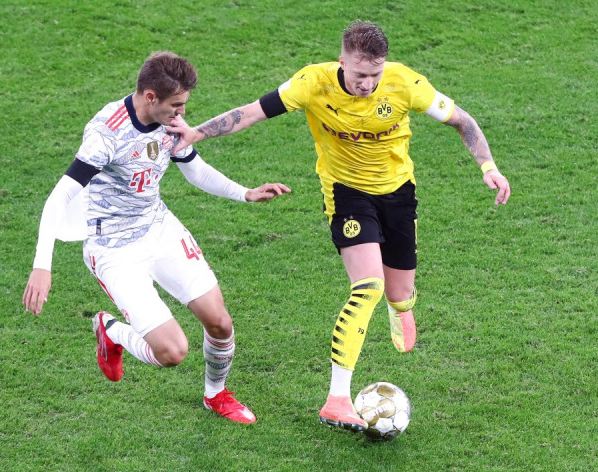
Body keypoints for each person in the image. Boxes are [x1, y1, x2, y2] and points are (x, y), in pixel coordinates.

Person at [168, 20, 511, 432]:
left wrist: (489, 167)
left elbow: (463, 121)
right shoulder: (312, 83)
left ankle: (401, 307)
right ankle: (336, 400)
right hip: (347, 194)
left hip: (398, 193)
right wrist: (196, 133)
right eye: (360, 74)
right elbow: (252, 112)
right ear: (342, 61)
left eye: (375, 74)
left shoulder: (405, 83)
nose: (368, 83)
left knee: (398, 293)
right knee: (368, 287)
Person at [22, 51, 291, 424]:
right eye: (176, 105)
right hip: (114, 249)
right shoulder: (106, 133)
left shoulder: (170, 121)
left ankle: (216, 395)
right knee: (172, 353)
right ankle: (112, 331)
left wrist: (245, 193)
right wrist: (42, 266)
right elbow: (58, 197)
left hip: (159, 228)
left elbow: (194, 169)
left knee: (220, 323)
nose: (182, 113)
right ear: (150, 97)